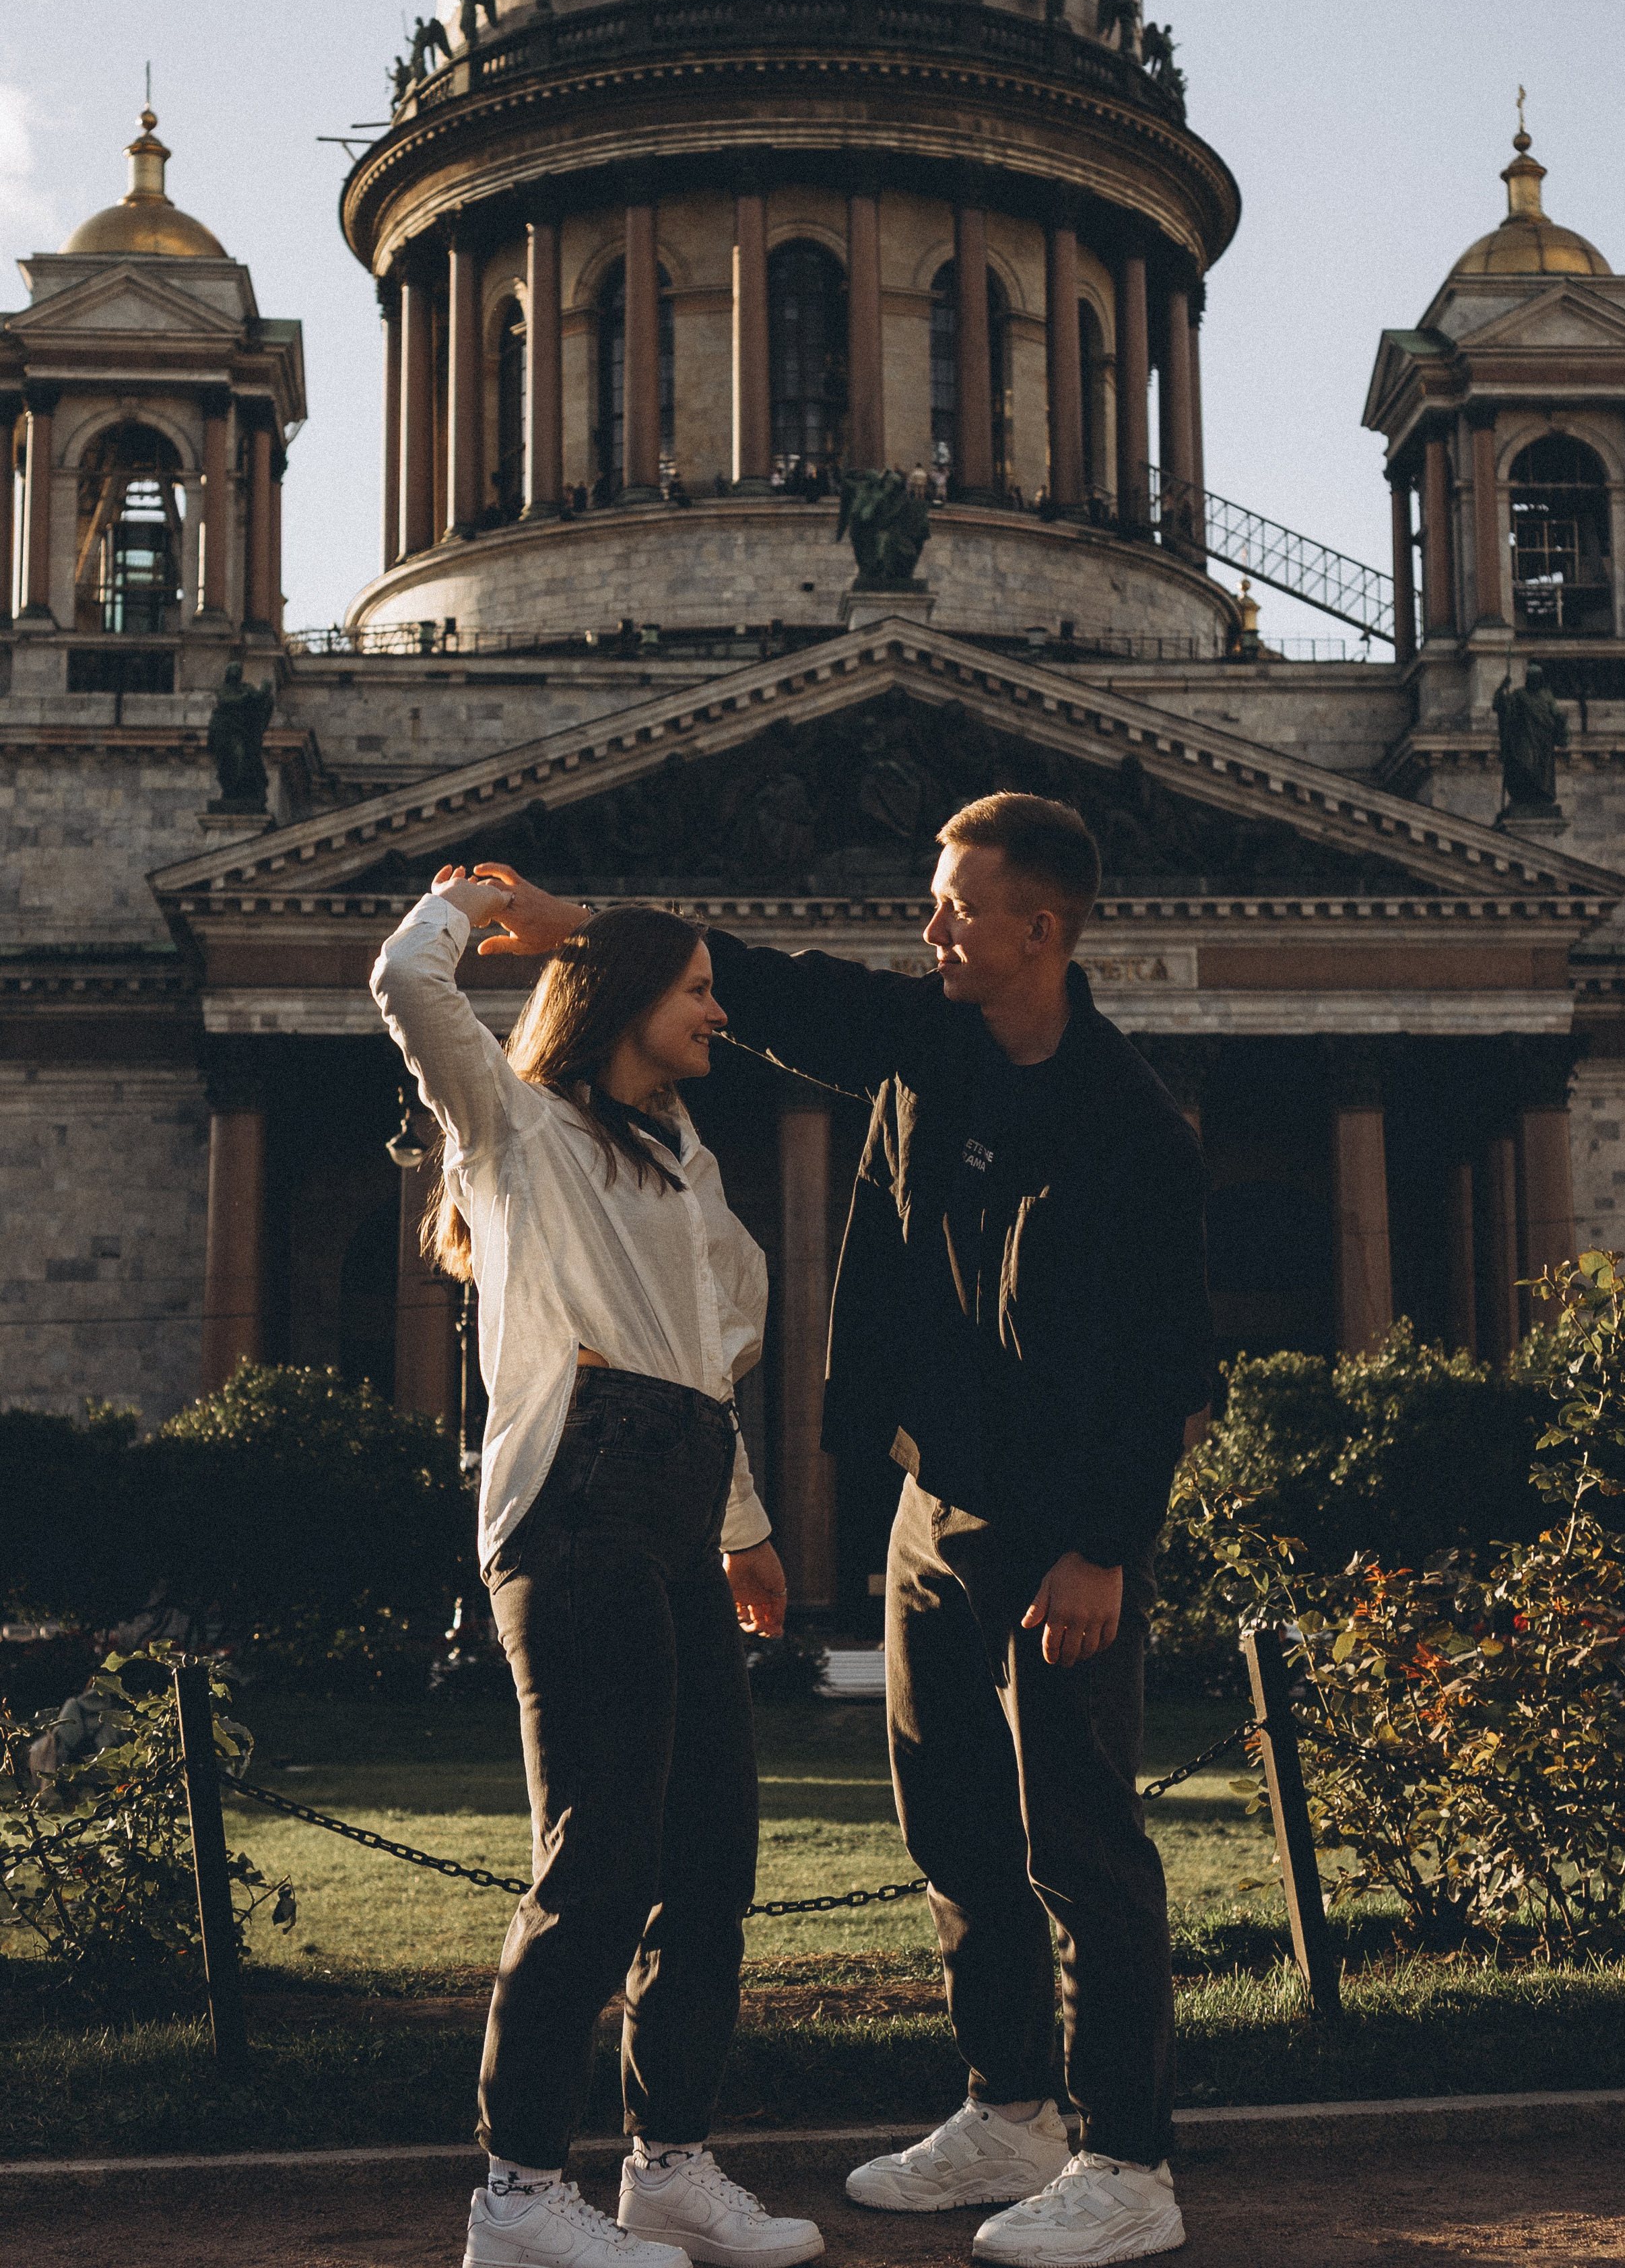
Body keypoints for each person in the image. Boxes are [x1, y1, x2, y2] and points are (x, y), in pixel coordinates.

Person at [470, 791, 1214, 2263]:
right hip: (935, 1503)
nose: (925, 925)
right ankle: (1009, 2109)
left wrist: (1104, 1548)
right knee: (948, 1821)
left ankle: (1128, 2162)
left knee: (1078, 1836)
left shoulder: (1132, 1128)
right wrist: (576, 931)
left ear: (1038, 931)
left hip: (1063, 1522)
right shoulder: (931, 1040)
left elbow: (1161, 1363)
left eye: (953, 905)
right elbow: (771, 983)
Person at [371, 875, 824, 2268]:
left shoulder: (684, 1156)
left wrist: (741, 1528)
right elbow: (405, 982)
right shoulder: (517, 1128)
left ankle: (668, 2166)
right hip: (571, 1516)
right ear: (625, 998)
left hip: (676, 1512)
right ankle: (512, 2196)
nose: (716, 1008)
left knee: (709, 1861)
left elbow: (696, 1362)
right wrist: (483, 908)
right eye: (694, 985)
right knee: (600, 1858)